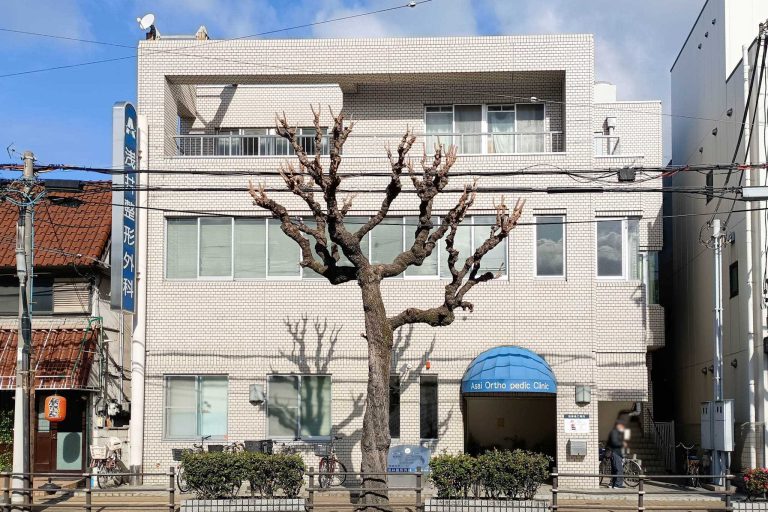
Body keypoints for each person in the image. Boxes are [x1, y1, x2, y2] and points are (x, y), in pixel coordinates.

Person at [606, 421, 626, 488]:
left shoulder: (614, 432)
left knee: (614, 469)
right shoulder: (615, 432)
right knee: (619, 469)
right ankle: (617, 485)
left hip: (613, 452)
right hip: (615, 453)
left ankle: (612, 484)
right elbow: (615, 443)